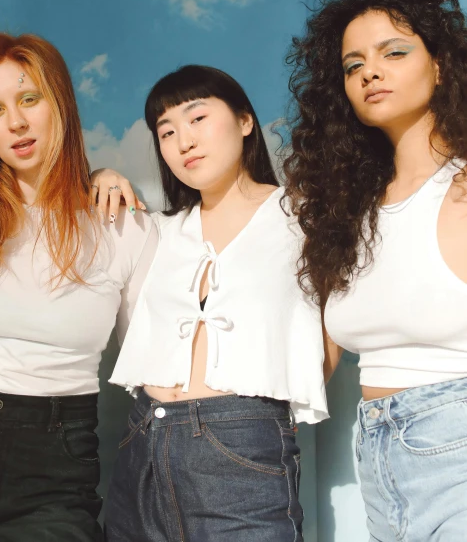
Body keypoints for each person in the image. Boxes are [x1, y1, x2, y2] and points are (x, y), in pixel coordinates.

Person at [0, 33, 157, 542]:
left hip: (53, 464)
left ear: (60, 102)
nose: (16, 123)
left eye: (29, 99)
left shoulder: (124, 228)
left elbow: (149, 364)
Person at [95, 65, 327, 542]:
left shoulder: (302, 216)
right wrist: (99, 174)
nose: (184, 141)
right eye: (167, 131)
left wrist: (263, 417)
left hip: (243, 443)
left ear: (245, 121)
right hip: (142, 440)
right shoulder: (154, 231)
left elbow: (337, 322)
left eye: (197, 118)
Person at [283, 0, 467, 540]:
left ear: (440, 65)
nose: (370, 73)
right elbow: (319, 355)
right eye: (353, 65)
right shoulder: (347, 215)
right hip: (378, 457)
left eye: (393, 53)